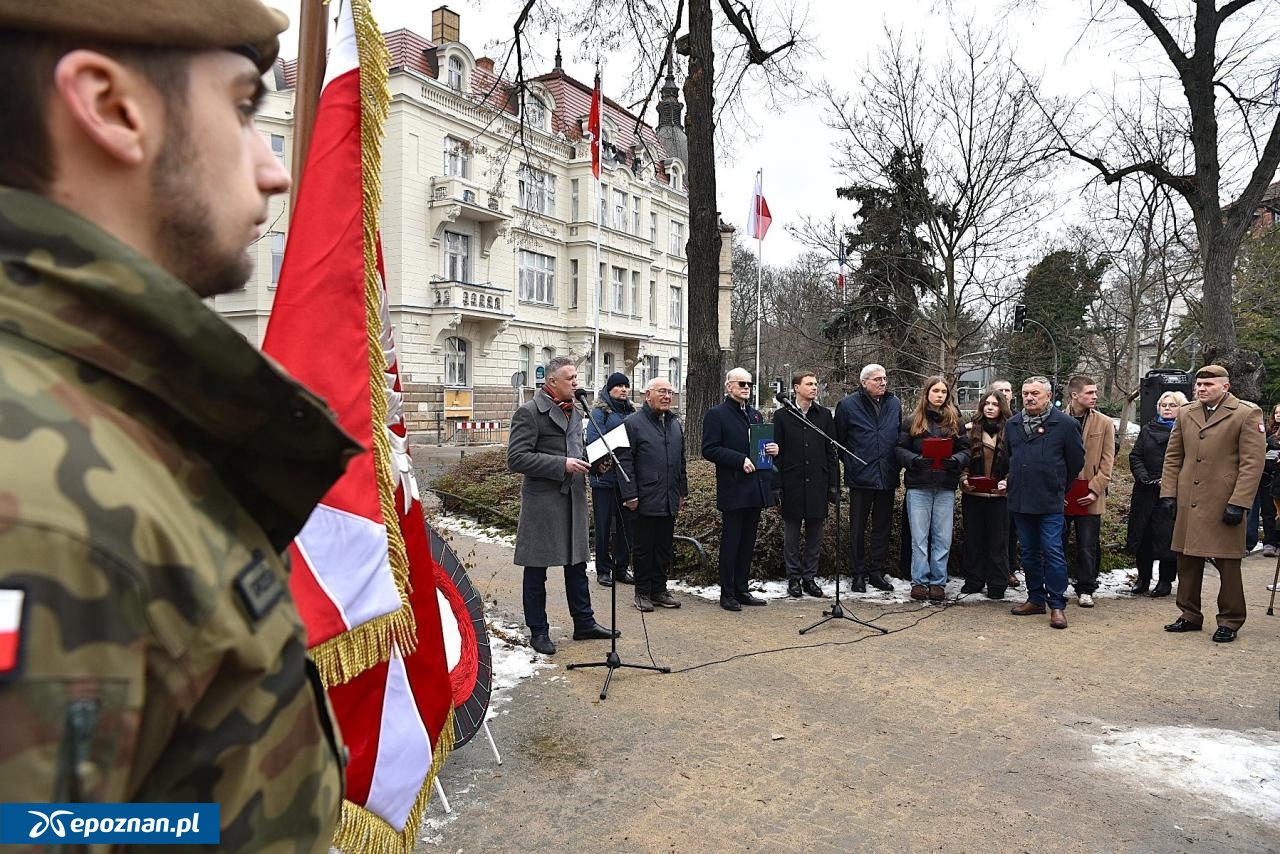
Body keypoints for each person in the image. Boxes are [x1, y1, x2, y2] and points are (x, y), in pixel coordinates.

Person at [0, 2, 358, 842]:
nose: (274, 173)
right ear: (114, 107)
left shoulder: (107, 414)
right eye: (241, 109)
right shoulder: (42, 516)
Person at [508, 357, 617, 655]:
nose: (575, 382)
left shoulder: (577, 410)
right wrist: (562, 464)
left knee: (577, 565)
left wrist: (595, 465)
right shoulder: (529, 412)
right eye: (570, 378)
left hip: (574, 499)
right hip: (543, 502)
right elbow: (515, 458)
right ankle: (538, 631)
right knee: (536, 570)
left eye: (576, 377)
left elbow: (576, 450)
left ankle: (584, 622)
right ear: (552, 382)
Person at [1160, 365, 1266, 643]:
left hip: (1224, 501)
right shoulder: (1186, 413)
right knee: (1187, 559)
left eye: (1208, 385)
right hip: (1189, 500)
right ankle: (1189, 614)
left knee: (1228, 564)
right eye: (1198, 385)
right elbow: (1173, 457)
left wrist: (1240, 502)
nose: (1201, 389)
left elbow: (1252, 464)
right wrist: (1168, 493)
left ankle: (1230, 619)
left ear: (1225, 387)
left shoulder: (1245, 413)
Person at [1006, 377, 1086, 629]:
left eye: (1035, 394)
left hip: (1050, 499)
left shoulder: (1065, 424)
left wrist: (1060, 484)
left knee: (1052, 550)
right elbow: (1011, 455)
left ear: (1048, 396)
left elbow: (1076, 461)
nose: (1029, 398)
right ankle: (1035, 598)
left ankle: (1057, 605)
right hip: (1020, 498)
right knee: (1028, 551)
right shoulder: (1013, 424)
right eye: (1026, 393)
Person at [702, 367, 777, 611]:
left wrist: (771, 449)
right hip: (734, 487)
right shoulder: (717, 414)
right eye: (741, 383)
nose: (746, 388)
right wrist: (738, 459)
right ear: (729, 386)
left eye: (749, 384)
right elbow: (709, 449)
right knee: (732, 541)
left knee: (748, 542)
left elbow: (758, 445)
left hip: (754, 488)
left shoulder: (754, 415)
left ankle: (742, 588)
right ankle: (727, 592)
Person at [896, 376, 970, 602]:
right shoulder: (912, 420)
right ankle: (919, 581)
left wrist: (956, 460)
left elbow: (966, 450)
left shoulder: (955, 420)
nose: (939, 395)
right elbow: (899, 449)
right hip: (919, 485)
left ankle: (938, 581)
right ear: (927, 393)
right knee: (919, 537)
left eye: (943, 392)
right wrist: (914, 460)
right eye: (935, 391)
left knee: (942, 537)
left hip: (945, 485)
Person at [618, 378, 688, 611]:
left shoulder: (675, 423)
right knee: (644, 547)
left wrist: (681, 490)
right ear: (648, 395)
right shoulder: (633, 423)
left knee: (663, 547)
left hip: (668, 496)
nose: (667, 396)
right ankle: (642, 592)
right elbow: (624, 462)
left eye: (670, 392)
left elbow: (681, 461)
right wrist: (630, 494)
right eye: (662, 392)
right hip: (644, 497)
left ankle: (659, 589)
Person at [833, 364, 901, 593]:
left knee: (882, 527)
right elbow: (839, 442)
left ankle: (877, 572)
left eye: (884, 378)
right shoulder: (848, 405)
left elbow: (898, 434)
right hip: (861, 477)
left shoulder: (894, 403)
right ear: (864, 382)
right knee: (858, 529)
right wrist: (852, 462)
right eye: (877, 379)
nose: (883, 383)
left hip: (887, 475)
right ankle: (858, 574)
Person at [773, 371, 839, 598]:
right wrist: (777, 485)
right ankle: (793, 578)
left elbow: (832, 451)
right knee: (791, 535)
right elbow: (776, 454)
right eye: (809, 384)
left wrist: (833, 484)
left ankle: (810, 577)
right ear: (796, 388)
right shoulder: (782, 416)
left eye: (815, 383)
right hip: (792, 482)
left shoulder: (824, 416)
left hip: (818, 483)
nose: (814, 387)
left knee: (815, 534)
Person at [1060, 375, 1116, 608]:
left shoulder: (1104, 423)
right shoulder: (1058, 420)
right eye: (1090, 392)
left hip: (1091, 493)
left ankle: (1086, 588)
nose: (1095, 396)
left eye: (1095, 392)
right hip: (1061, 494)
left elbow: (1108, 460)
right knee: (1057, 543)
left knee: (1087, 544)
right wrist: (1057, 490)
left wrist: (1095, 489)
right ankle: (1057, 585)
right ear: (1075, 395)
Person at [1126, 391, 1186, 597]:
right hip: (1145, 492)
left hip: (1172, 493)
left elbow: (1187, 461)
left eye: (1172, 405)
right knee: (1143, 536)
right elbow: (1136, 456)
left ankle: (1165, 581)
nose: (1167, 408)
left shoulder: (1185, 431)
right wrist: (1143, 476)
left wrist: (1168, 481)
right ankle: (1143, 578)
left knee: (1167, 538)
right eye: (1164, 405)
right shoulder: (1147, 430)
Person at [959, 388, 1012, 599]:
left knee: (998, 541)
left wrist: (1008, 481)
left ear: (1002, 407)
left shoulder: (1012, 431)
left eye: (995, 404)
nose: (990, 407)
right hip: (973, 494)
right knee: (973, 539)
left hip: (1000, 496)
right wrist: (963, 479)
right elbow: (963, 459)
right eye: (987, 403)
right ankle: (974, 580)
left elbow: (1016, 461)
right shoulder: (970, 430)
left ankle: (997, 583)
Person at [586, 372, 636, 587]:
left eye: (626, 386)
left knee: (627, 526)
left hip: (627, 479)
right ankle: (603, 569)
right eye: (619, 386)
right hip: (605, 478)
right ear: (609, 389)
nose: (623, 390)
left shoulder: (633, 411)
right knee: (604, 526)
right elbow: (594, 441)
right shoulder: (600, 412)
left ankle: (621, 567)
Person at [991, 378, 1022, 590]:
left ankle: (1010, 569)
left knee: (1011, 531)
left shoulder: (1020, 420)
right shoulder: (982, 418)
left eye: (1008, 390)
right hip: (988, 484)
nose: (1004, 393)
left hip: (1014, 483)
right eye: (1000, 390)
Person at [1250, 402, 1280, 557]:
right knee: (1268, 511)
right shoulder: (1267, 433)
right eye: (1277, 413)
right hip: (1268, 478)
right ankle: (1270, 542)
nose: (1279, 415)